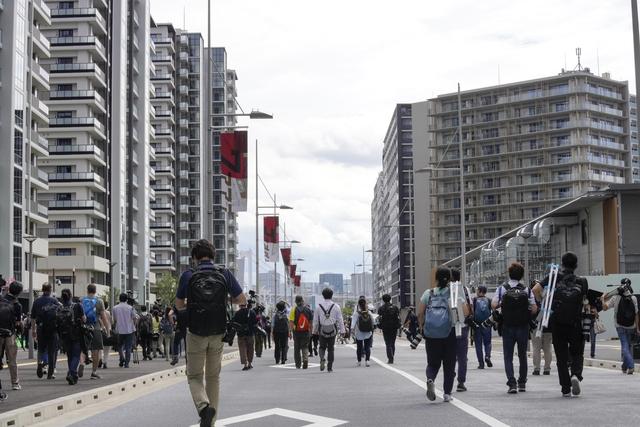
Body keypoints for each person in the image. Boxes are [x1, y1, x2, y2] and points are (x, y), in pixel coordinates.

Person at [175, 239, 245, 427]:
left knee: (195, 375)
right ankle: (210, 423)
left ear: (194, 258)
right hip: (218, 331)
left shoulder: (188, 275)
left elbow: (179, 305)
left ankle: (204, 407)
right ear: (213, 256)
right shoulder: (224, 274)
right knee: (213, 377)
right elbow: (241, 299)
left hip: (196, 332)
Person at [534, 252, 589, 397]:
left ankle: (565, 388)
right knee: (577, 352)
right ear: (576, 265)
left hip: (557, 322)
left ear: (562, 264)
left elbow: (535, 289)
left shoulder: (553, 277)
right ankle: (576, 375)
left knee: (561, 356)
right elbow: (585, 301)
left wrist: (544, 302)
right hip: (576, 322)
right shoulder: (582, 281)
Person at [418, 266, 468, 403]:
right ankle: (447, 394)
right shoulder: (454, 292)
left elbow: (420, 312)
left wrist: (422, 327)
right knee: (449, 364)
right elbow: (465, 312)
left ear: (436, 278)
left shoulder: (429, 293)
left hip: (431, 333)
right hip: (449, 333)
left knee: (433, 363)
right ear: (450, 278)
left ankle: (430, 379)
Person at [492, 262, 537, 394]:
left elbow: (494, 305)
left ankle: (512, 384)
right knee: (522, 355)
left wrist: (503, 303)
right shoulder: (527, 290)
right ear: (521, 275)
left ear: (509, 274)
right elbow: (534, 309)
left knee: (508, 356)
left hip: (507, 326)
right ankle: (522, 382)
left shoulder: (502, 289)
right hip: (523, 326)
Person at [602, 278, 638, 375]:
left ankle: (630, 366)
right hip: (631, 326)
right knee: (628, 346)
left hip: (619, 325)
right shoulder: (633, 298)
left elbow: (605, 308)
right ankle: (624, 366)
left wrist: (602, 299)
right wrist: (637, 328)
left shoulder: (616, 297)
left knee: (625, 346)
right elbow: (636, 314)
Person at [31, 283, 61, 380]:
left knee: (41, 348)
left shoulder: (37, 301)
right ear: (50, 290)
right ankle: (50, 373)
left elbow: (32, 317)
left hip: (40, 327)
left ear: (42, 289)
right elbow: (60, 312)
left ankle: (40, 363)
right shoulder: (54, 301)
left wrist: (33, 330)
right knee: (52, 351)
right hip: (52, 329)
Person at [81, 284, 110, 380]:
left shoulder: (82, 300)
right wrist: (107, 330)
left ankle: (81, 364)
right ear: (95, 290)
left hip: (84, 328)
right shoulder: (99, 301)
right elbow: (104, 317)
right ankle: (94, 372)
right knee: (96, 351)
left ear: (87, 290)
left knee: (83, 349)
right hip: (96, 328)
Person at [312, 287, 346, 373]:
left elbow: (316, 321)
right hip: (332, 330)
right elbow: (340, 320)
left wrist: (314, 330)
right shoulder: (336, 306)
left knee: (322, 347)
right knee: (331, 348)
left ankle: (322, 358)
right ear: (332, 295)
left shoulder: (318, 307)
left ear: (323, 296)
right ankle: (329, 367)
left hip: (322, 329)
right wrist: (343, 331)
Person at [57, 288, 85, 385]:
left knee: (69, 355)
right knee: (76, 355)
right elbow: (84, 319)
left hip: (64, 334)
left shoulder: (59, 308)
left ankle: (72, 375)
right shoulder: (77, 306)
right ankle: (72, 372)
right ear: (71, 295)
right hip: (76, 333)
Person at [450, 268, 472, 392]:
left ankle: (450, 374)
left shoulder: (446, 290)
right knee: (462, 356)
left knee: (449, 354)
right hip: (463, 325)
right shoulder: (465, 289)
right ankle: (461, 382)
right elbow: (469, 307)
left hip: (449, 327)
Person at [0, 281, 23, 390]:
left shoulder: (0, 299)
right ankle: (15, 383)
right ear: (19, 293)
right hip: (10, 334)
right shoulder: (17, 304)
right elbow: (18, 323)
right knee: (12, 360)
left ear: (9, 289)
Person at [530, 280, 552, 376]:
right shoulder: (548, 297)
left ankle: (537, 368)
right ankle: (547, 368)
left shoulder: (531, 298)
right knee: (547, 348)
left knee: (536, 348)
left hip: (535, 325)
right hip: (548, 325)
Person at [112, 293, 138, 368]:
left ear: (119, 299)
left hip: (119, 330)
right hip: (129, 330)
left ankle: (122, 358)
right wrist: (134, 325)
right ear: (126, 299)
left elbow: (115, 320)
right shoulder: (130, 308)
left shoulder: (115, 308)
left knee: (119, 346)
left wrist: (114, 327)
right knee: (128, 347)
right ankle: (126, 363)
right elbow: (135, 318)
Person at [289, 296, 313, 369]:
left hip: (296, 332)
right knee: (305, 346)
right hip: (306, 331)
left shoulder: (293, 310)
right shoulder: (308, 310)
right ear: (303, 301)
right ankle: (305, 359)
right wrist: (311, 331)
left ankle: (298, 364)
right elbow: (311, 322)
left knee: (297, 348)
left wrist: (290, 331)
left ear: (296, 301)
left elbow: (291, 322)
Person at [472, 285, 493, 369]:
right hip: (487, 324)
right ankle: (487, 356)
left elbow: (472, 312)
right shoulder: (488, 300)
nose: (476, 292)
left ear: (480, 291)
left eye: (477, 290)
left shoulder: (474, 300)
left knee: (478, 344)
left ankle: (481, 363)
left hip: (477, 325)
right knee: (487, 343)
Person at [233, 301, 257, 370]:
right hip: (250, 334)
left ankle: (245, 364)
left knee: (242, 349)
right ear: (246, 305)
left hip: (241, 334)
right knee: (250, 348)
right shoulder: (252, 312)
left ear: (240, 306)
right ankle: (250, 363)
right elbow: (255, 322)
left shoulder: (237, 313)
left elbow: (234, 323)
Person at [377, 293, 401, 364]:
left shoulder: (381, 308)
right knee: (393, 343)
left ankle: (390, 358)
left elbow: (379, 318)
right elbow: (398, 317)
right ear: (390, 299)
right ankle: (392, 355)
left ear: (383, 300)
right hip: (394, 327)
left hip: (385, 327)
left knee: (388, 343)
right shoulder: (395, 307)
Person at [351, 297, 374, 367]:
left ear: (359, 305)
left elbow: (353, 324)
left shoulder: (356, 313)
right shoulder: (369, 312)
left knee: (359, 347)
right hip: (368, 332)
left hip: (359, 333)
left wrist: (352, 331)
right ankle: (367, 361)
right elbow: (373, 321)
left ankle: (359, 361)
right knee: (367, 347)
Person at [101, 301, 113, 369]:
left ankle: (100, 359)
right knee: (107, 349)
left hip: (101, 331)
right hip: (108, 330)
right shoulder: (108, 312)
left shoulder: (99, 313)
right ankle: (105, 362)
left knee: (100, 348)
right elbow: (112, 322)